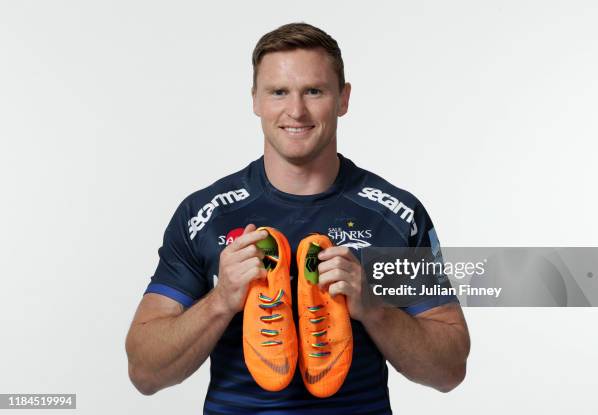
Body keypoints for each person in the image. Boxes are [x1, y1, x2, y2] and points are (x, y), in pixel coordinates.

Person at [125, 22, 470, 414]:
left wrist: (373, 307)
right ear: (255, 100)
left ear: (343, 99)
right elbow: (144, 372)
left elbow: (449, 370)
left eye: (314, 91)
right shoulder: (207, 215)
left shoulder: (391, 216)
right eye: (278, 92)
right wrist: (221, 300)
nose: (296, 110)